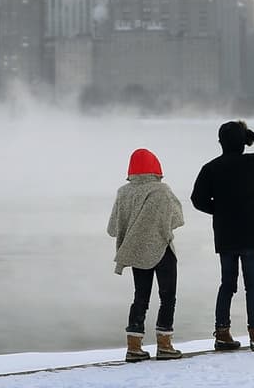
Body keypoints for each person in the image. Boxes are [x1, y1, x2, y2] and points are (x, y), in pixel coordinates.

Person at [190, 120, 254, 352]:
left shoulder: (211, 168)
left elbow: (197, 200)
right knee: (253, 286)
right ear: (244, 143)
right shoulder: (252, 163)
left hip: (226, 236)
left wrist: (220, 210)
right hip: (252, 233)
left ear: (220, 143)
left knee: (227, 285)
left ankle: (222, 333)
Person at [107, 147, 186, 362]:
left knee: (140, 298)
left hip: (136, 251)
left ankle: (134, 347)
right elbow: (177, 218)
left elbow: (113, 228)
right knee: (167, 297)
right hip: (163, 250)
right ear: (156, 167)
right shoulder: (162, 190)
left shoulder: (123, 192)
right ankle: (165, 345)